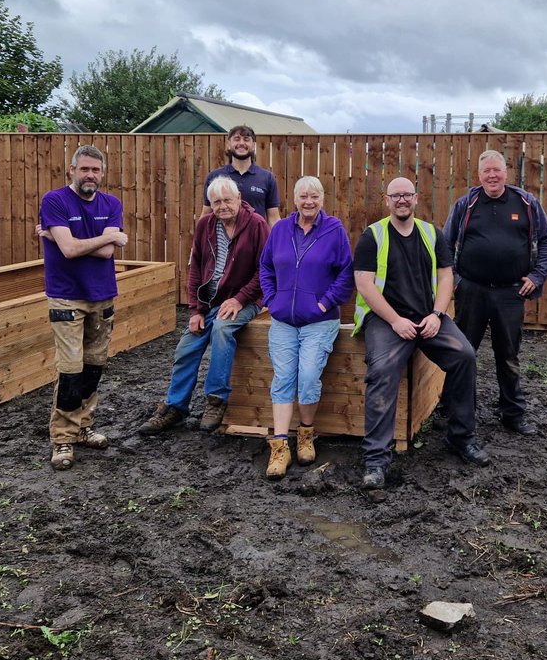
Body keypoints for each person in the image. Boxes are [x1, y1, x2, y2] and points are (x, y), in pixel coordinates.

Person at [354, 177, 490, 492]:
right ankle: (376, 460)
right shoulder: (372, 236)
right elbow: (364, 284)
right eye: (395, 196)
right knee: (383, 371)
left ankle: (461, 438)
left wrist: (437, 314)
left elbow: (446, 277)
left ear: (416, 198)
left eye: (407, 195)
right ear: (386, 200)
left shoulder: (431, 234)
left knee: (464, 355)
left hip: (428, 318)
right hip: (387, 321)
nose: (402, 200)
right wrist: (395, 320)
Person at [140, 176, 269, 435]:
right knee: (187, 346)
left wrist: (240, 299)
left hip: (247, 299)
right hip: (210, 302)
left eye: (227, 200)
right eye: (216, 201)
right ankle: (175, 407)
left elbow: (265, 269)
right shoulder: (205, 225)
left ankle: (215, 400)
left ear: (239, 199)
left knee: (222, 328)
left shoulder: (257, 225)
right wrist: (195, 310)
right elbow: (196, 268)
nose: (222, 206)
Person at [442, 150, 547, 435]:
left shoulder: (526, 203)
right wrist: (454, 279)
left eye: (496, 170)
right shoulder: (466, 204)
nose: (492, 176)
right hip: (472, 291)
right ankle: (457, 409)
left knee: (508, 354)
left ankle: (513, 413)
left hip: (511, 294)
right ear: (478, 175)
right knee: (464, 352)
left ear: (506, 172)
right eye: (486, 171)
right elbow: (445, 243)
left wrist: (537, 275)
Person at [38, 145, 129, 471]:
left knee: (93, 366)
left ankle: (83, 427)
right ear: (72, 170)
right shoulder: (55, 200)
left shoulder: (111, 203)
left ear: (102, 174)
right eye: (84, 169)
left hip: (102, 295)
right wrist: (102, 239)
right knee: (70, 368)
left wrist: (59, 238)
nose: (90, 175)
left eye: (96, 170)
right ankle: (62, 438)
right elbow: (71, 249)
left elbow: (103, 255)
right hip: (66, 297)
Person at [258, 175, 354, 479]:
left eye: (314, 196)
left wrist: (324, 304)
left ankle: (306, 433)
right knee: (284, 377)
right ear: (294, 199)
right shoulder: (281, 230)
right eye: (303, 196)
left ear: (322, 198)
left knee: (309, 376)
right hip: (283, 320)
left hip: (319, 321)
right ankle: (280, 445)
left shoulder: (334, 231)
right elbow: (266, 267)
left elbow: (346, 273)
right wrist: (273, 300)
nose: (308, 202)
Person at [202, 124, 281, 227]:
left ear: (253, 145)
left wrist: (280, 241)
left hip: (256, 241)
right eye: (237, 139)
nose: (241, 143)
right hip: (222, 241)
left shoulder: (267, 177)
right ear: (229, 144)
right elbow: (206, 214)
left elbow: (273, 218)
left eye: (246, 139)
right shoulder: (214, 177)